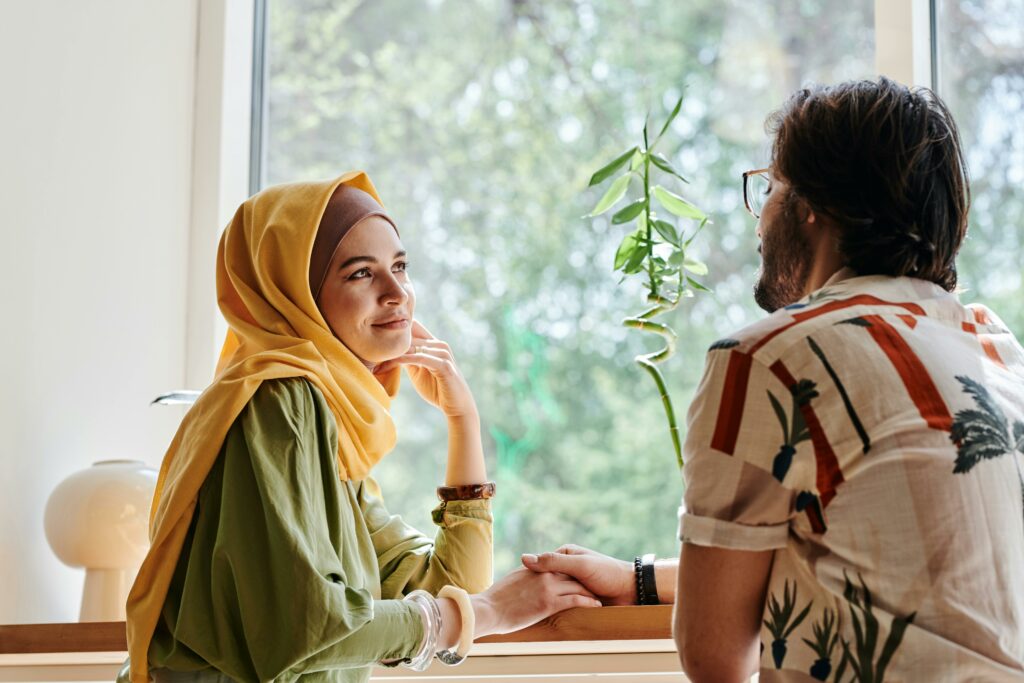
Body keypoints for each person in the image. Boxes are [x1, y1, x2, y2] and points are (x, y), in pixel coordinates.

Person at [524, 77, 1024, 681]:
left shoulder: (770, 358)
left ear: (812, 203)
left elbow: (716, 658)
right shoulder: (992, 350)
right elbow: (878, 562)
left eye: (769, 186)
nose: (759, 218)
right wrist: (639, 580)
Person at [121, 172, 601, 683]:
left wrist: (463, 420)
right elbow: (311, 629)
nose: (397, 293)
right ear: (295, 297)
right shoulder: (275, 401)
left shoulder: (328, 426)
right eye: (360, 274)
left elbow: (449, 582)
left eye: (399, 266)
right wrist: (486, 614)